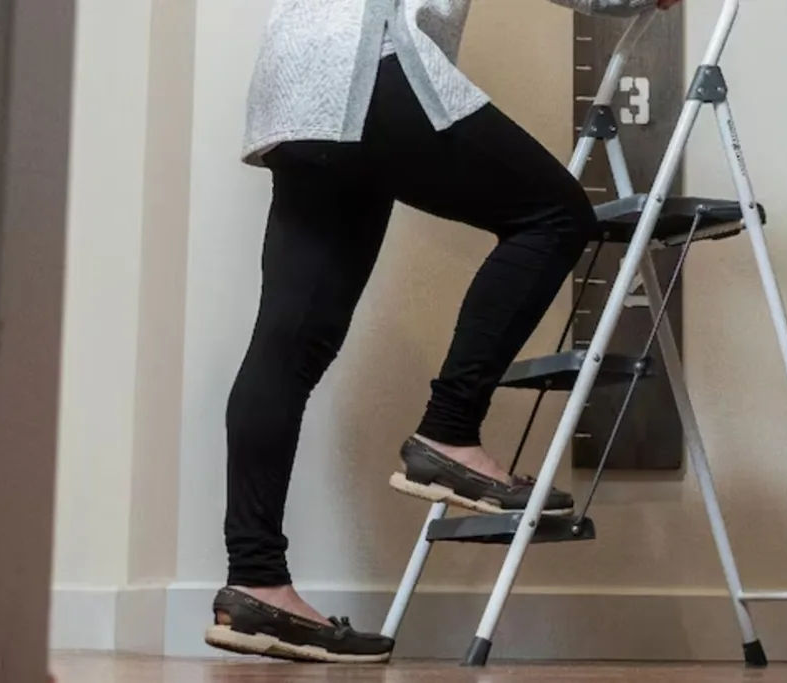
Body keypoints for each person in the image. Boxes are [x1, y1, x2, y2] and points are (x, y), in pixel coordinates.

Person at [205, 0, 683, 664]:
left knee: (288, 345)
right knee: (553, 217)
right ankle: (449, 432)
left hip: (295, 81)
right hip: (368, 61)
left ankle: (255, 582)